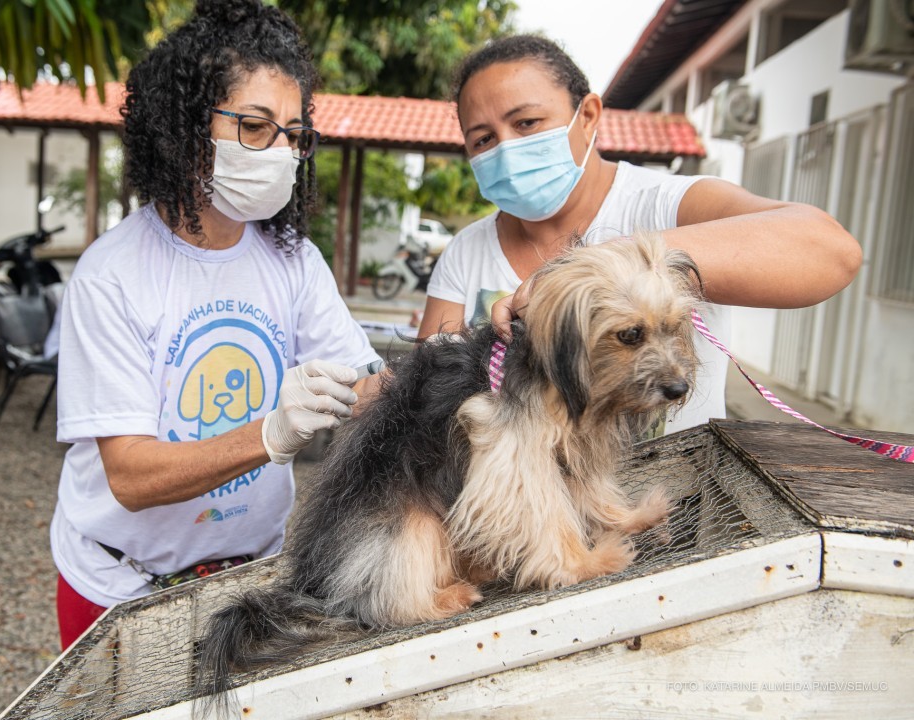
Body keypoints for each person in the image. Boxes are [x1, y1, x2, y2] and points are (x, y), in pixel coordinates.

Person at [49, 0, 382, 649]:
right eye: (254, 127)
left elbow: (366, 383)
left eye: (293, 134)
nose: (280, 151)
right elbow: (131, 476)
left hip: (249, 580)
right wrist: (272, 433)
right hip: (120, 589)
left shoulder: (293, 260)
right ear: (184, 125)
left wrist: (442, 369)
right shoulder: (111, 276)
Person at [419, 35, 861, 434]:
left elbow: (830, 251)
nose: (507, 148)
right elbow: (425, 394)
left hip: (672, 488)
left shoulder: (668, 205)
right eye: (483, 139)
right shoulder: (466, 250)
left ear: (587, 116)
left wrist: (595, 268)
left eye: (527, 123)